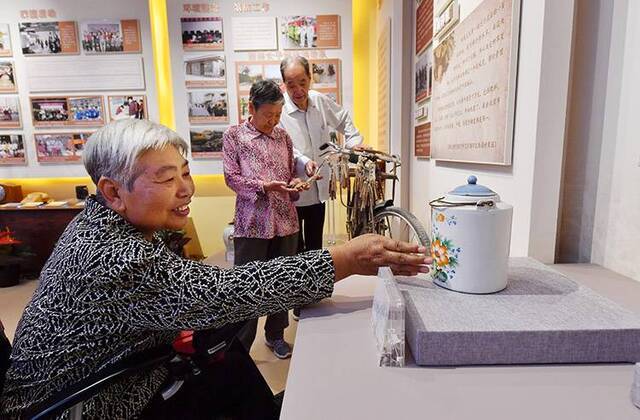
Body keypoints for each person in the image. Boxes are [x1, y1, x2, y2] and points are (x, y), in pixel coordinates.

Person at [0, 118, 429, 419]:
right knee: (224, 349)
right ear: (114, 192)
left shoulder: (105, 223)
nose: (185, 189)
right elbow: (228, 290)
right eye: (167, 180)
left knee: (224, 355)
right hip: (85, 406)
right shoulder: (112, 256)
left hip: (120, 375)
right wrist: (346, 259)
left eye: (185, 173)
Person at [223, 80, 304, 359]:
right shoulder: (234, 136)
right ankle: (240, 346)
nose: (273, 122)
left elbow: (290, 173)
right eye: (268, 115)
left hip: (286, 221)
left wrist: (294, 183)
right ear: (251, 108)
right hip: (252, 223)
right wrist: (265, 186)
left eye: (277, 116)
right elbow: (231, 178)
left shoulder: (284, 138)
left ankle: (276, 335)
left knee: (281, 281)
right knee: (247, 286)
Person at [278, 56, 364, 312]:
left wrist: (352, 144)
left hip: (318, 188)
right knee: (295, 247)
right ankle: (296, 299)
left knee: (315, 242)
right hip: (293, 189)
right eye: (291, 84)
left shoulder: (319, 101)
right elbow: (286, 147)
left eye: (302, 82)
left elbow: (345, 119)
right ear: (283, 84)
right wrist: (304, 162)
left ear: (310, 78)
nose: (298, 90)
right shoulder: (280, 111)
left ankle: (312, 294)